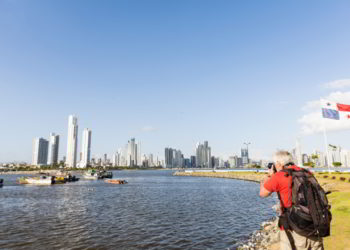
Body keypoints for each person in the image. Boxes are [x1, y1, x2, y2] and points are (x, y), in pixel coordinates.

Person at [259, 150, 324, 250]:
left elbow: (262, 193)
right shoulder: (306, 172)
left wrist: (269, 176)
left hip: (293, 228)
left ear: (278, 164)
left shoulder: (279, 176)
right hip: (314, 224)